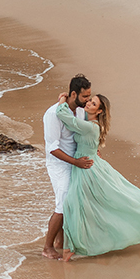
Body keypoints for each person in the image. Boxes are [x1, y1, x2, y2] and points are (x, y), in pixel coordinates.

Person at [55, 92, 140, 259]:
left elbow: (63, 116)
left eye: (93, 104)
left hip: (87, 168)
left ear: (99, 111)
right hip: (87, 163)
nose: (89, 104)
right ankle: (69, 245)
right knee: (79, 204)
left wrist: (62, 100)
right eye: (90, 101)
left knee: (75, 203)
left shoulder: (90, 126)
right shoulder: (89, 121)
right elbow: (78, 113)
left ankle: (71, 247)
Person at [41, 74, 93, 260]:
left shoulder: (79, 111)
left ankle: (60, 243)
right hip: (59, 164)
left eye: (89, 96)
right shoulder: (53, 114)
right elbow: (52, 148)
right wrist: (75, 162)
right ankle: (47, 247)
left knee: (73, 201)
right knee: (63, 202)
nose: (88, 100)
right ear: (73, 94)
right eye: (85, 96)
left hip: (76, 161)